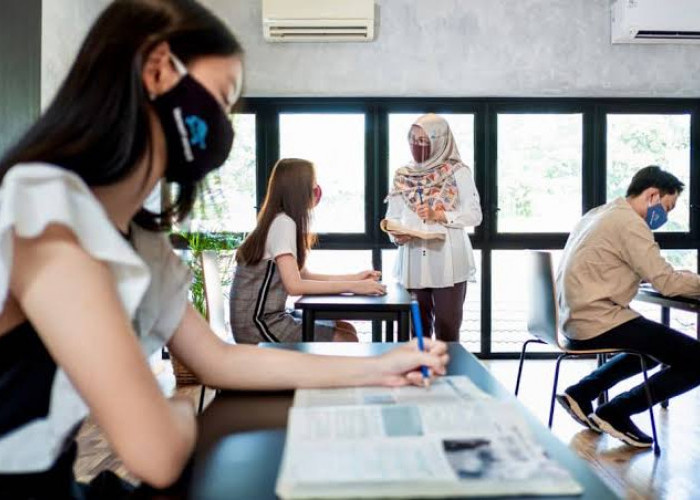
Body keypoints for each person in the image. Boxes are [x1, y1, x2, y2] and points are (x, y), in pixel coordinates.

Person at [0, 1, 448, 497]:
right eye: (221, 97)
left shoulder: (140, 240)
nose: (224, 126)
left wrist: (378, 368)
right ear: (156, 70)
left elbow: (220, 360)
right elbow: (158, 452)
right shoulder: (43, 208)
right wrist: (176, 412)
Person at [555, 165, 700, 448]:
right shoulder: (631, 224)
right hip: (596, 320)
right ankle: (617, 411)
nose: (665, 217)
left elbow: (650, 273)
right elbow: (667, 283)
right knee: (696, 359)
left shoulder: (600, 213)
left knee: (654, 346)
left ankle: (582, 392)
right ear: (652, 195)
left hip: (575, 317)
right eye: (667, 208)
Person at [230, 157, 385, 343]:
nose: (317, 191)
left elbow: (304, 275)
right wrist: (354, 287)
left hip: (265, 319)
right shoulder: (283, 223)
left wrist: (354, 278)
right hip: (258, 326)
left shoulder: (281, 220)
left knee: (346, 328)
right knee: (345, 339)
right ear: (299, 190)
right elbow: (295, 286)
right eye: (313, 185)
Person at [385, 114, 482, 342]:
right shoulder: (403, 175)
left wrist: (440, 215)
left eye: (424, 140)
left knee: (447, 329)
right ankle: (417, 376)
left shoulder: (458, 172)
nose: (417, 146)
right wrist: (396, 234)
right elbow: (393, 216)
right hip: (413, 258)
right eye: (413, 139)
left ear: (440, 141)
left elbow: (474, 215)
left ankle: (447, 376)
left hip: (448, 260)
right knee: (415, 328)